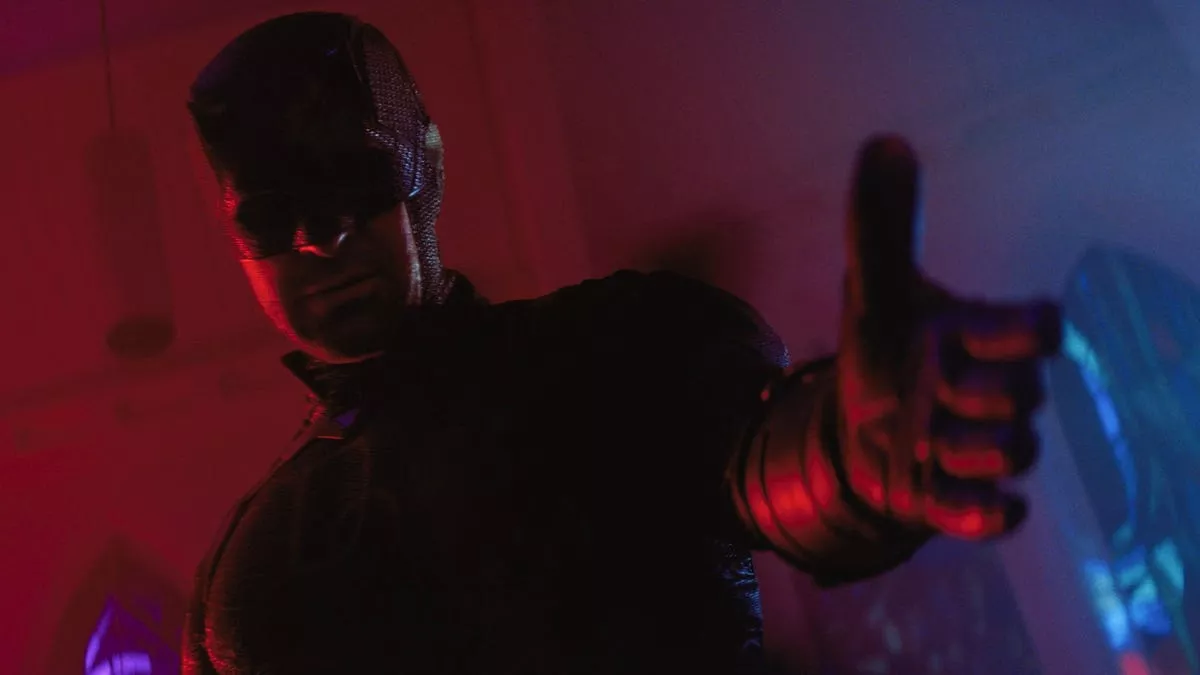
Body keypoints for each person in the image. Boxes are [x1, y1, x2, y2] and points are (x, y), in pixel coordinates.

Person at [181, 12, 1061, 675]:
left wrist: (837, 457)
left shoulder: (605, 352)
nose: (319, 239)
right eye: (271, 214)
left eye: (355, 181)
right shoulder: (245, 557)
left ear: (426, 172)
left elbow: (748, 463)